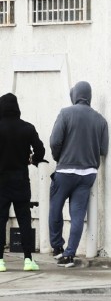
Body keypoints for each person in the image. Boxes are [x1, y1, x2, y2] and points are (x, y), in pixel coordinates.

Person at [48, 81, 109, 268]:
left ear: (75, 95)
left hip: (65, 171)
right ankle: (69, 254)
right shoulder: (101, 120)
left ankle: (58, 247)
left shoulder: (65, 113)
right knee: (77, 215)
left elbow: (54, 141)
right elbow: (103, 150)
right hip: (88, 174)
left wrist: (59, 157)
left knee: (55, 209)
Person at [0, 93, 45, 272]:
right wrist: (33, 160)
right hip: (20, 179)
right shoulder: (27, 128)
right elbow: (40, 150)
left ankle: (0, 262)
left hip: (1, 181)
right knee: (24, 219)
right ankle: (28, 260)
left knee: (0, 220)